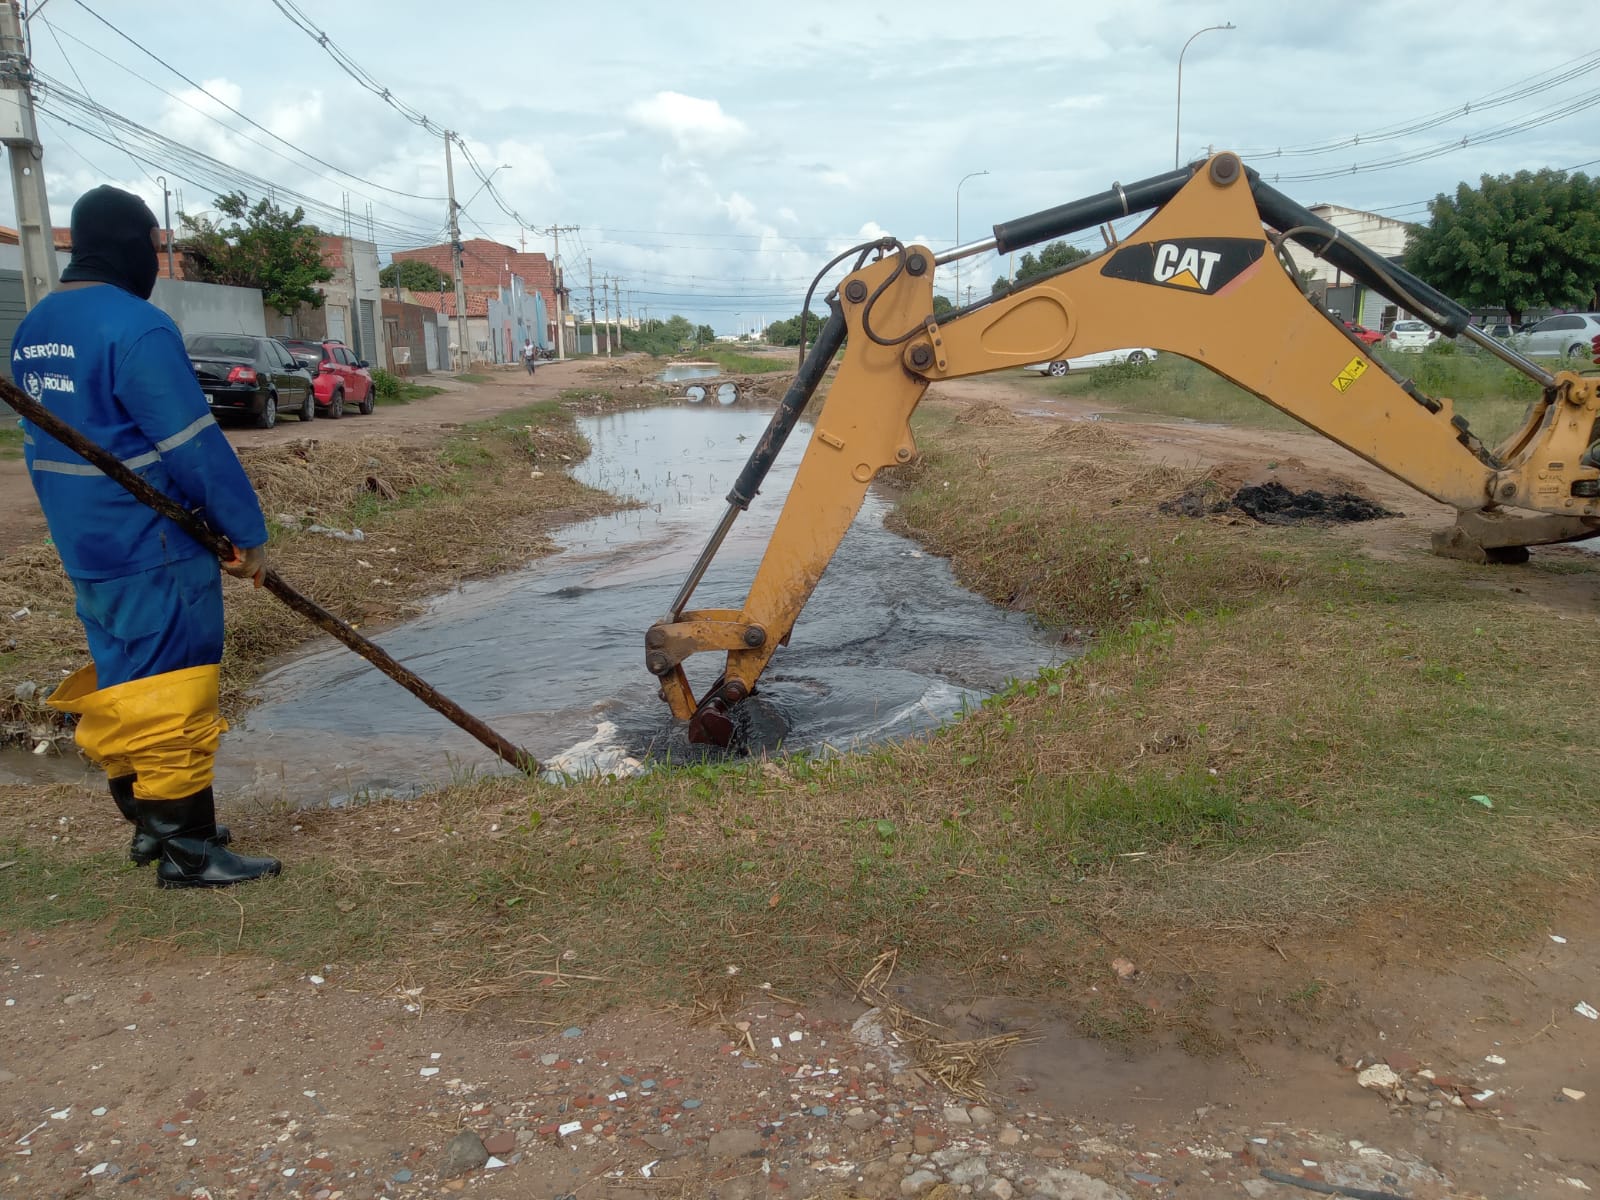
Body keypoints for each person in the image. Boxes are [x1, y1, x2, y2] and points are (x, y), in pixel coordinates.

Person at [16, 184, 282, 889]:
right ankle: (189, 854)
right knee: (174, 690)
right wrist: (244, 533)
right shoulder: (134, 327)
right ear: (136, 249)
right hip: (151, 544)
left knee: (126, 685)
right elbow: (193, 445)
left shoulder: (36, 325)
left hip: (88, 547)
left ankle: (152, 825)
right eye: (156, 249)